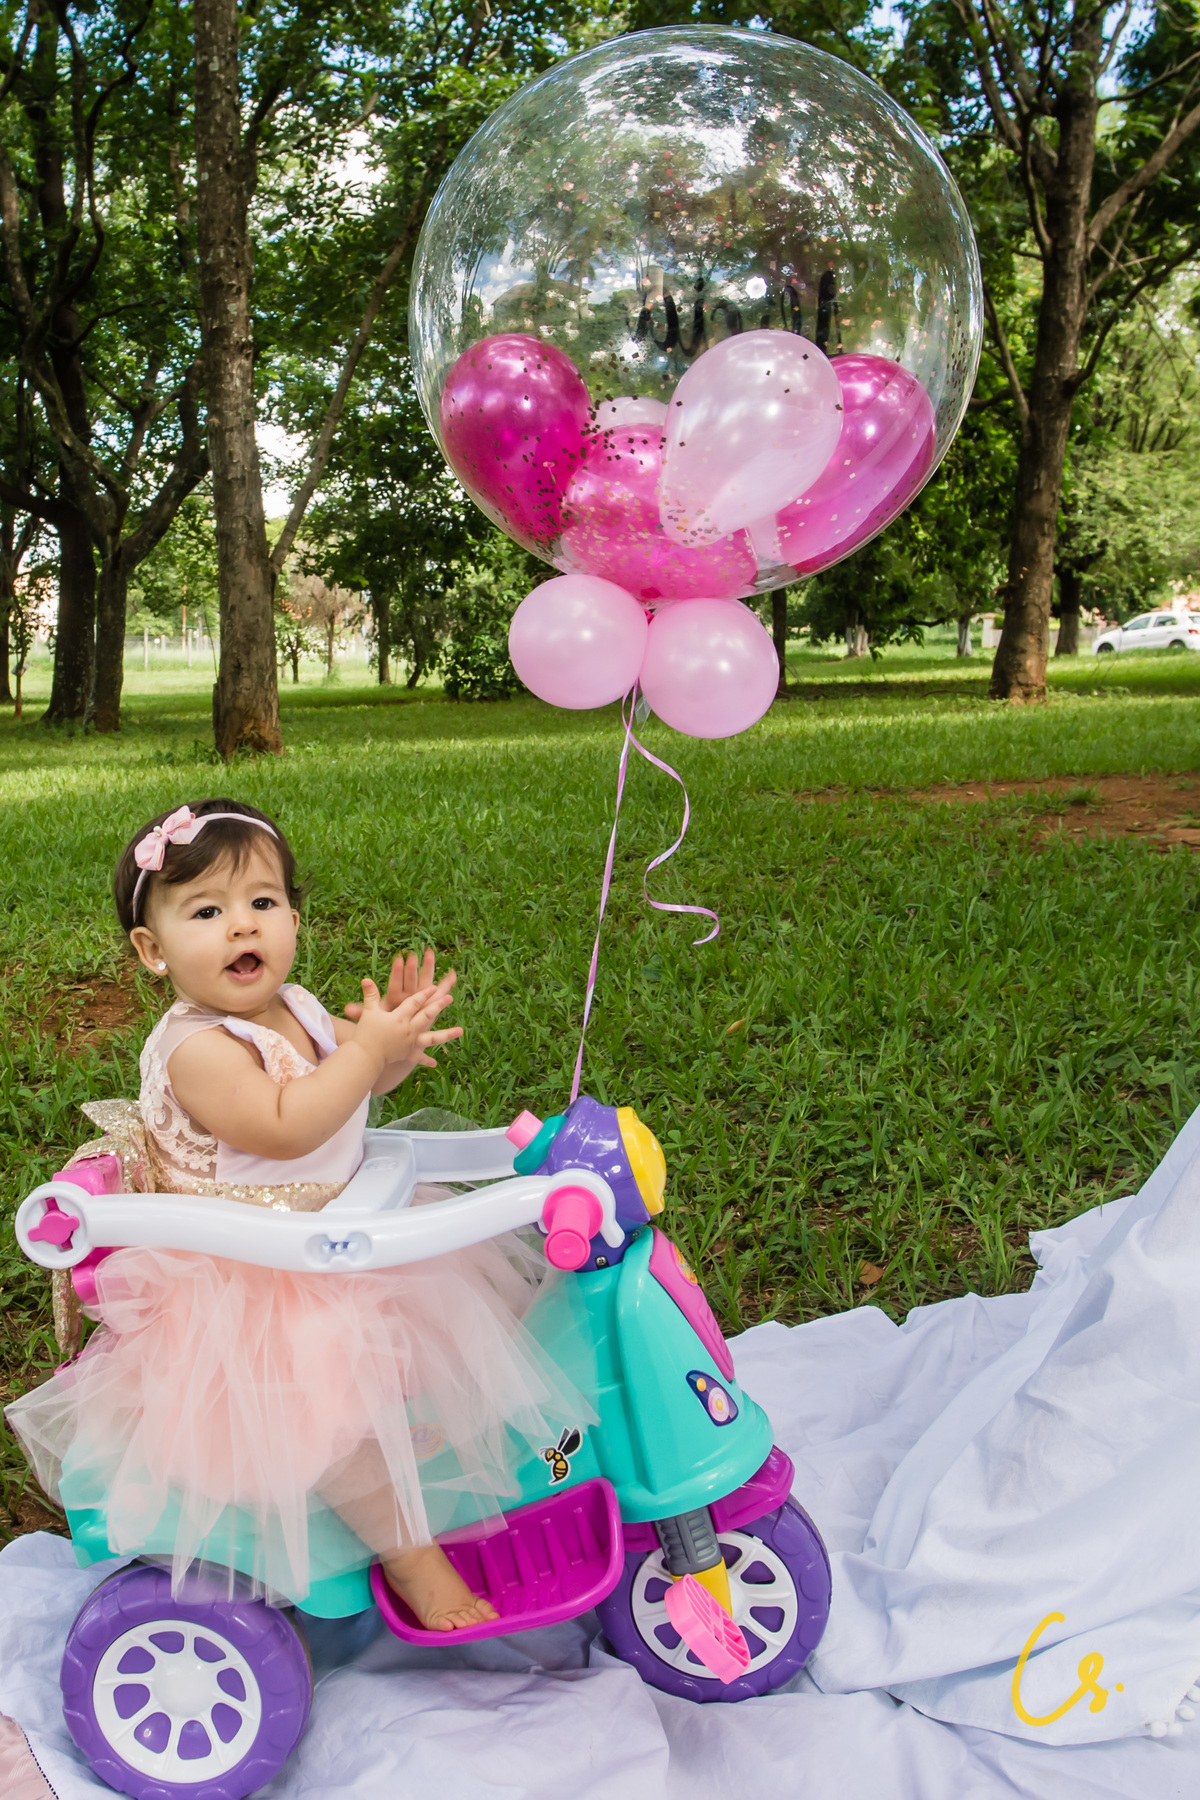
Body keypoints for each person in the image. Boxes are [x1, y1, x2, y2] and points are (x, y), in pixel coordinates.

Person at [6, 800, 589, 1630]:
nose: (241, 927)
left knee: (435, 1344)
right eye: (206, 912)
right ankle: (410, 1558)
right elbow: (287, 1127)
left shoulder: (298, 1004)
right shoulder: (197, 1049)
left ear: (293, 916)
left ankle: (425, 1467)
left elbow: (341, 1097)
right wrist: (361, 1056)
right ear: (152, 951)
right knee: (331, 1414)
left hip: (338, 1233)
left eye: (263, 904)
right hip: (253, 1280)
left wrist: (384, 1059)